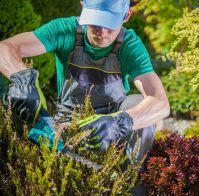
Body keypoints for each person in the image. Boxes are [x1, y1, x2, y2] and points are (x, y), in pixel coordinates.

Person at [0, 0, 170, 194]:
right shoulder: (64, 30)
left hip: (111, 131)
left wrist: (118, 123)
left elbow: (161, 103)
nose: (102, 32)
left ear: (126, 16)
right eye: (96, 23)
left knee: (138, 102)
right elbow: (4, 49)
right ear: (83, 7)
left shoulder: (129, 45)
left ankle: (131, 185)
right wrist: (21, 78)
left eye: (110, 25)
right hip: (67, 125)